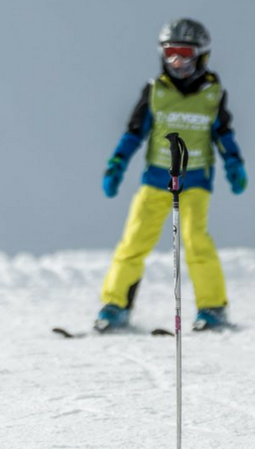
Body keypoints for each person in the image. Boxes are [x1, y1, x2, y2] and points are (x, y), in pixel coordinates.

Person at [97, 18, 247, 333]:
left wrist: (233, 162)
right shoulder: (155, 91)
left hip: (194, 181)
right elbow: (135, 132)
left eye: (184, 53)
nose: (177, 61)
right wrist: (117, 163)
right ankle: (115, 305)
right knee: (135, 240)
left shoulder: (212, 92)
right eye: (170, 53)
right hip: (156, 179)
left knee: (195, 240)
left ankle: (213, 308)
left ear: (201, 55)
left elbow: (223, 133)